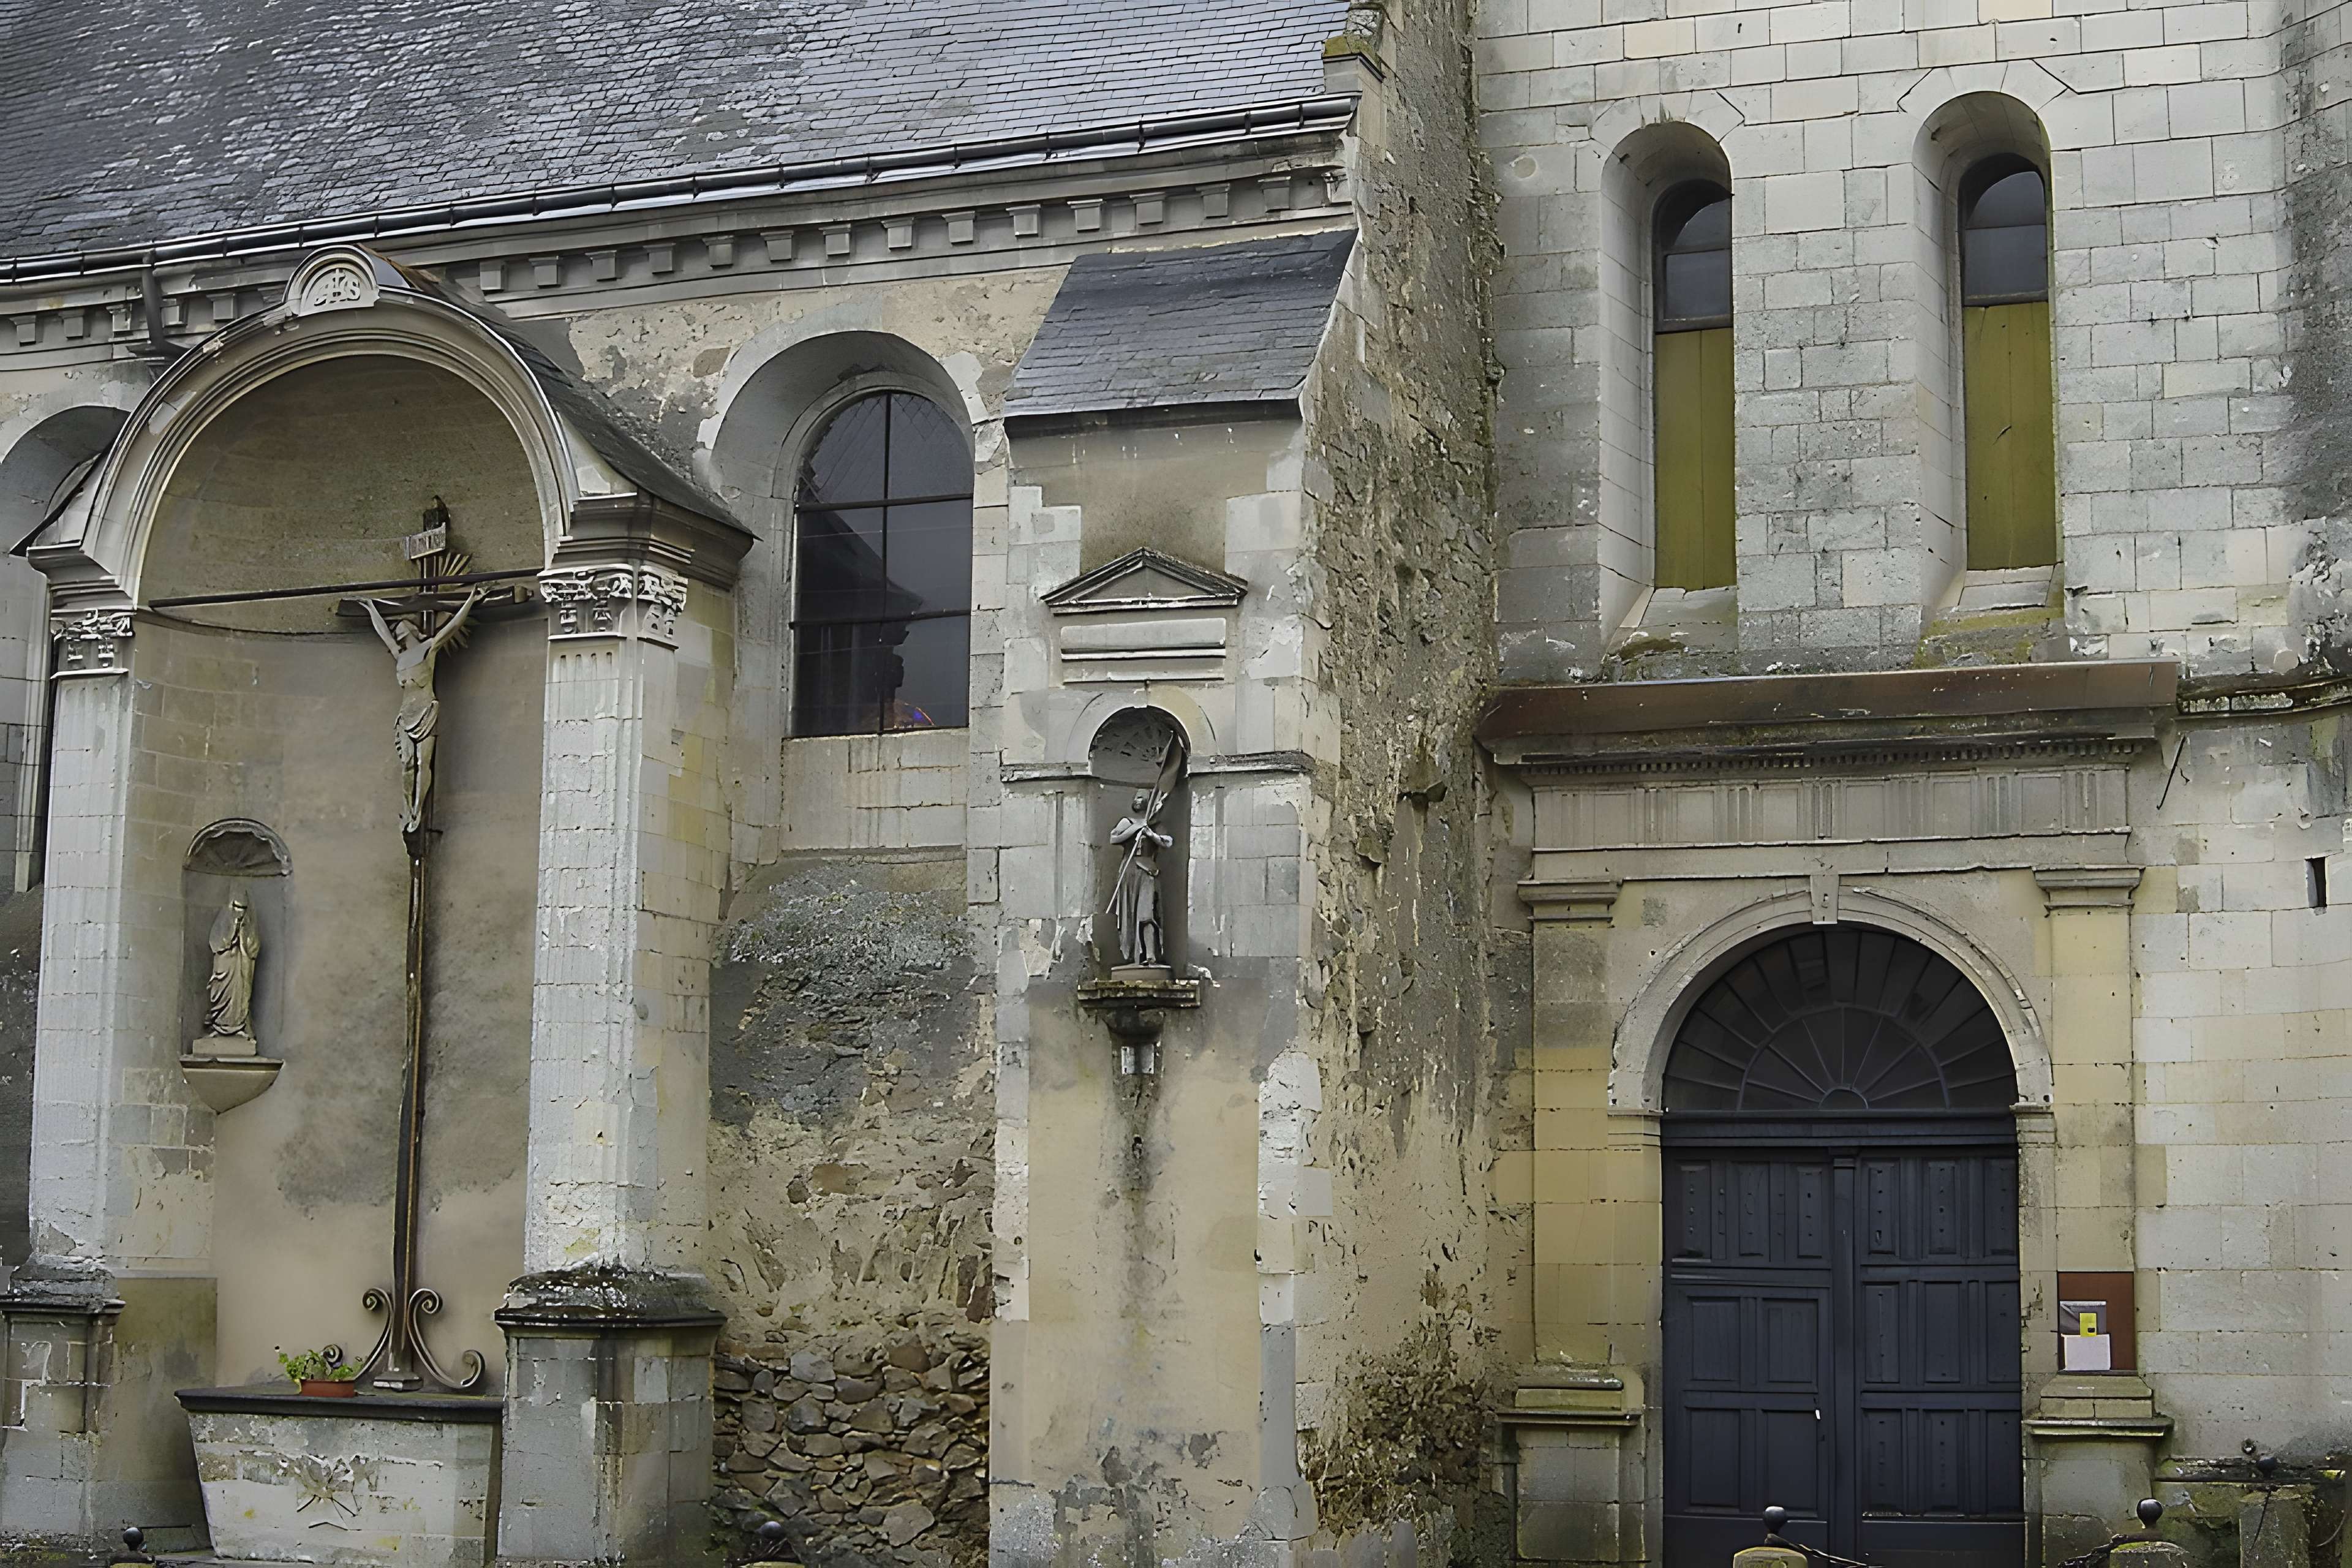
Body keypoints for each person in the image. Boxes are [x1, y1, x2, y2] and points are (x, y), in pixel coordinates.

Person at [363, 587, 485, 837]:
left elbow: (451, 627)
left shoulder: (429, 648)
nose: (398, 631)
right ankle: (408, 810)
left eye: (402, 627)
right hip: (405, 715)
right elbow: (383, 634)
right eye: (397, 630)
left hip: (426, 712)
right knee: (407, 765)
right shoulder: (400, 656)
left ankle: (418, 810)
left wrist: (471, 600)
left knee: (422, 762)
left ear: (414, 630)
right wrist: (371, 608)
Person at [1108, 791, 1174, 967]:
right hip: (1129, 872)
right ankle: (1132, 956)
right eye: (1135, 797)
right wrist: (1136, 828)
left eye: (1141, 796)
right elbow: (1114, 838)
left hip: (1147, 871)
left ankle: (1151, 955)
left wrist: (1150, 833)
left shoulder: (1155, 824)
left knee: (1147, 913)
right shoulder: (1127, 822)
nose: (1137, 800)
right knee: (1130, 913)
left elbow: (1167, 842)